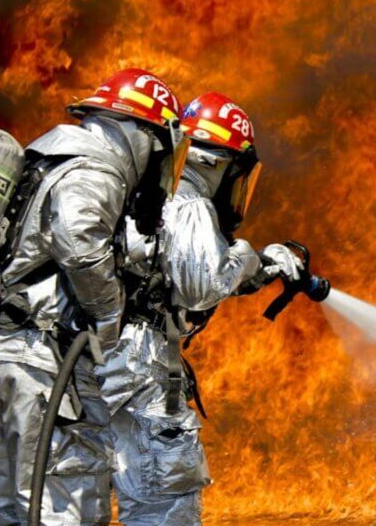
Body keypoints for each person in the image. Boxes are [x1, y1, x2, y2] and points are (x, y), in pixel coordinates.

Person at [0, 68, 189, 525]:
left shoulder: (50, 157)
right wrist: (108, 316)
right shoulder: (96, 168)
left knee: (7, 508)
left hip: (5, 354)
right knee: (66, 501)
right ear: (141, 135)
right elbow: (79, 240)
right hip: (39, 363)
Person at [98, 91, 302, 525]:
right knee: (162, 498)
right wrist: (250, 254)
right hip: (139, 363)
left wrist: (262, 268)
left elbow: (173, 270)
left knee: (81, 494)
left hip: (96, 355)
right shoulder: (189, 200)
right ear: (223, 163)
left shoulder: (143, 191)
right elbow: (203, 285)